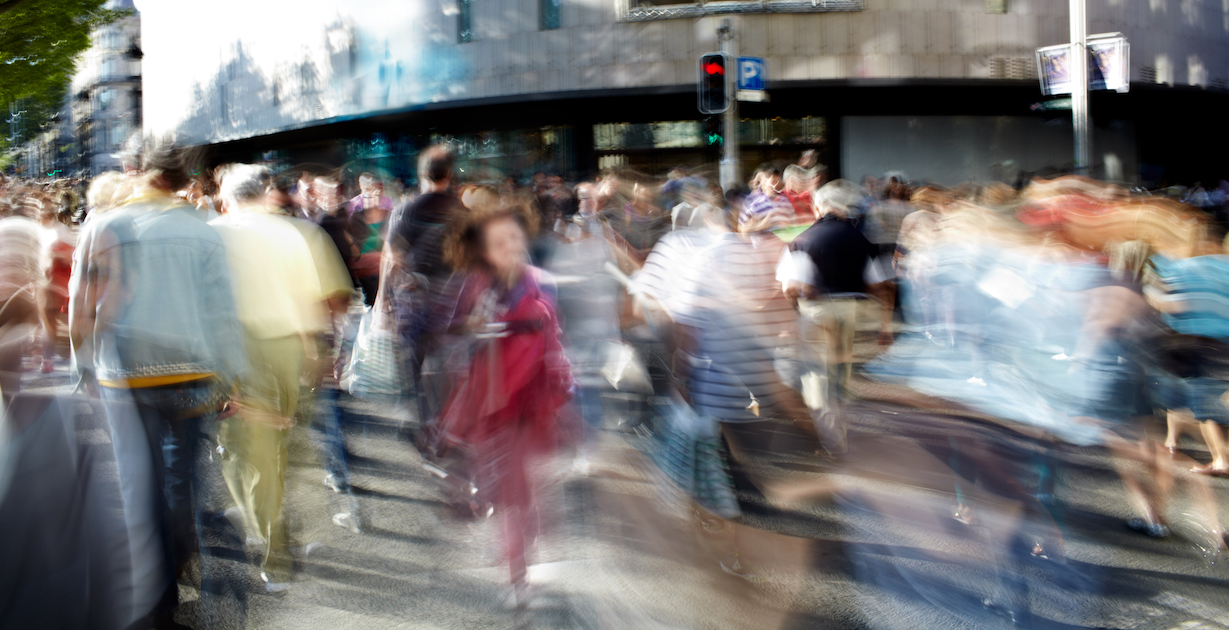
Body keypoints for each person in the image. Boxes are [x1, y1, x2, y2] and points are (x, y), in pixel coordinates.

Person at [69, 136, 249, 629]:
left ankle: (156, 596)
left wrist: (80, 364)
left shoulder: (105, 224)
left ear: (135, 169)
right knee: (182, 481)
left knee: (137, 486)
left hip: (125, 374)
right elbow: (222, 309)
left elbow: (81, 301)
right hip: (193, 371)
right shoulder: (205, 229)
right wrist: (232, 375)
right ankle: (176, 557)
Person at [209, 163, 348, 591]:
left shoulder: (214, 235)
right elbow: (328, 299)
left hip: (235, 353)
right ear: (266, 194)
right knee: (284, 447)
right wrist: (321, 353)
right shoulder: (298, 233)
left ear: (228, 199)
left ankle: (275, 548)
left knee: (246, 455)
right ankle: (280, 535)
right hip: (292, 351)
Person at [433, 199, 573, 607]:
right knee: (514, 494)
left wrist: (565, 393)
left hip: (537, 400)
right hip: (495, 405)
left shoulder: (542, 281)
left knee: (532, 489)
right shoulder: (476, 285)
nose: (510, 246)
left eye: (514, 236)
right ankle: (517, 578)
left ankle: (520, 558)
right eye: (498, 242)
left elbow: (554, 338)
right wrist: (473, 327)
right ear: (483, 251)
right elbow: (451, 329)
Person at [788, 180, 889, 439]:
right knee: (841, 366)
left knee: (817, 370)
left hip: (816, 310)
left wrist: (794, 310)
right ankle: (839, 413)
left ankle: (828, 431)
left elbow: (789, 287)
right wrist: (884, 325)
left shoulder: (802, 239)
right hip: (849, 308)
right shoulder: (861, 239)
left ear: (819, 207)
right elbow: (878, 283)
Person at [740, 164, 795, 228]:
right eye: (773, 182)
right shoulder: (752, 203)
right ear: (762, 180)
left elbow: (792, 222)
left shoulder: (784, 200)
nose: (776, 185)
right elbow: (743, 229)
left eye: (777, 181)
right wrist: (762, 225)